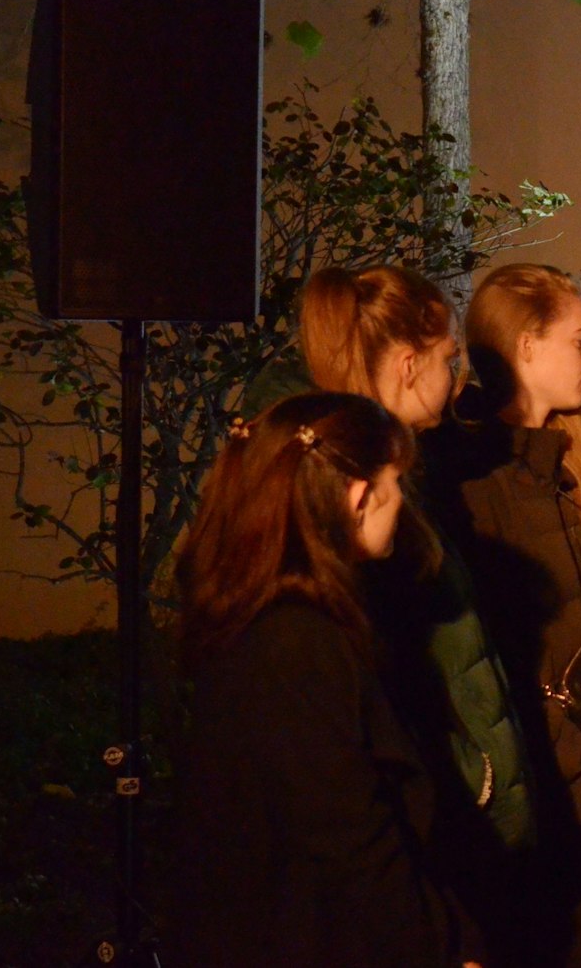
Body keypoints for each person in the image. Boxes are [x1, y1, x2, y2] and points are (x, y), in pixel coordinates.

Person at [272, 264, 537, 960]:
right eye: (450, 358)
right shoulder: (347, 494)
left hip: (449, 813)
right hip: (422, 830)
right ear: (409, 360)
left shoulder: (406, 469)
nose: (458, 380)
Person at [171, 391, 477, 968]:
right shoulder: (297, 643)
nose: (402, 506)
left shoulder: (255, 613)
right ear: (358, 496)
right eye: (397, 485)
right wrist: (444, 949)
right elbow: (351, 841)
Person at [432, 262, 581, 967]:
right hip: (539, 792)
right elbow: (481, 652)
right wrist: (560, 747)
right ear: (527, 346)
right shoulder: (468, 477)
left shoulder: (562, 463)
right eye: (580, 340)